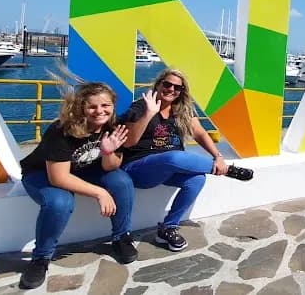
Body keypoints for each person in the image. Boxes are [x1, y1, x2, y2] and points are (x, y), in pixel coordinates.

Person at [18, 82, 137, 290]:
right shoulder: (62, 130)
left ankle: (121, 237)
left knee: (122, 181)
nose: (99, 111)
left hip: (82, 168)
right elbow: (58, 179)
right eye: (92, 106)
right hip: (42, 174)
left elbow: (112, 168)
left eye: (105, 105)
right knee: (60, 202)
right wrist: (99, 192)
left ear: (112, 106)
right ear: (82, 107)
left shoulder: (112, 126)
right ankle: (41, 258)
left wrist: (108, 152)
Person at [119, 68, 252, 252]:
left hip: (167, 168)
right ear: (158, 85)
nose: (171, 89)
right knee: (173, 157)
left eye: (177, 87)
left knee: (197, 179)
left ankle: (168, 227)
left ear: (182, 92)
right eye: (167, 84)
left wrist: (218, 156)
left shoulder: (180, 111)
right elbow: (129, 142)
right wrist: (149, 113)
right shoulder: (140, 107)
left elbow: (199, 133)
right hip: (138, 168)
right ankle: (229, 170)